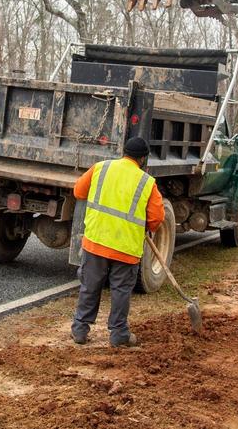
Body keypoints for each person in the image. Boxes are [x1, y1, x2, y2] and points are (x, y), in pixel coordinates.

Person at [71, 136, 165, 348]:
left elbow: (78, 191)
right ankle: (118, 334)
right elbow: (156, 218)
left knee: (90, 286)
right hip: (125, 249)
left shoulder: (100, 168)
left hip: (96, 241)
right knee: (121, 290)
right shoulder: (147, 183)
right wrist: (148, 227)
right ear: (142, 159)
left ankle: (80, 330)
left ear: (124, 152)